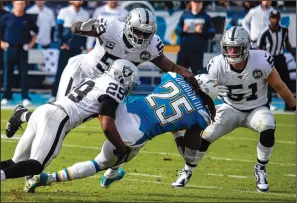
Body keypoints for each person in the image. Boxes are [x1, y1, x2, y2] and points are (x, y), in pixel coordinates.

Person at [5, 8, 201, 139]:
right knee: (57, 120)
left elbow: (171, 67)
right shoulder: (110, 27)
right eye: (138, 31)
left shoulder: (151, 46)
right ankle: (22, 116)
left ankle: (23, 116)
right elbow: (75, 28)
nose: (141, 37)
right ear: (128, 25)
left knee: (68, 124)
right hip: (81, 73)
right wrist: (84, 27)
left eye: (146, 33)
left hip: (104, 87)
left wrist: (194, 80)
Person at [23, 72, 218, 192]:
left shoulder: (175, 78)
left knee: (86, 119)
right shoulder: (201, 114)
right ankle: (48, 178)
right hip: (137, 130)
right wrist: (177, 133)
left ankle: (113, 171)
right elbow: (188, 153)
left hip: (126, 108)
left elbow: (171, 84)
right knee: (100, 161)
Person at [171, 26, 296, 192]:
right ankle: (187, 170)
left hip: (256, 108)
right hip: (230, 108)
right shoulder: (217, 65)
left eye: (235, 48)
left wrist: (293, 105)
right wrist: (210, 95)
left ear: (246, 47)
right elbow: (204, 93)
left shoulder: (261, 60)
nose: (231, 52)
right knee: (207, 135)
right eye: (228, 48)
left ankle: (260, 169)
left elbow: (279, 85)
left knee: (268, 125)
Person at [0, 59, 141, 182]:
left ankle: (22, 115)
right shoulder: (114, 89)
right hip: (56, 118)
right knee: (36, 165)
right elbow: (107, 125)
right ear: (122, 76)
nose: (129, 87)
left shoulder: (98, 79)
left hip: (45, 110)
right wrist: (122, 148)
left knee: (14, 163)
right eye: (130, 83)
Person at [49, 1, 89, 103]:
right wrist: (61, 44)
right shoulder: (64, 11)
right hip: (65, 48)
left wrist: (82, 46)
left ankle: (75, 97)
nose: (79, 1)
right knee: (61, 72)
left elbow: (86, 32)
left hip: (77, 49)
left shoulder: (85, 14)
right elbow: (58, 29)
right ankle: (54, 95)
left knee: (78, 73)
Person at [0, 0, 38, 107]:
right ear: (13, 4)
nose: (20, 6)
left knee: (23, 75)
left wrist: (31, 44)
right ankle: (6, 96)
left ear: (25, 5)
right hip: (9, 49)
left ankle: (25, 97)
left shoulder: (28, 18)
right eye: (18, 4)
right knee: (7, 74)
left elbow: (36, 32)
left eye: (22, 4)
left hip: (23, 50)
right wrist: (1, 43)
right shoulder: (6, 18)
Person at [257, 10, 296, 111]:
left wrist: (294, 54)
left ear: (279, 18)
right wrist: (260, 61)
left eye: (276, 18)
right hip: (268, 59)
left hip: (280, 58)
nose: (275, 20)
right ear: (270, 19)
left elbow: (286, 43)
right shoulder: (264, 32)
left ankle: (289, 105)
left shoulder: (284, 30)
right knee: (268, 82)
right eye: (273, 18)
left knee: (286, 82)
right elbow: (259, 48)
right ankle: (268, 104)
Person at [175, 0, 215, 75]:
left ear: (202, 3)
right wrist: (183, 30)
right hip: (184, 51)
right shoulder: (184, 15)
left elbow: (212, 33)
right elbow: (177, 30)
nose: (197, 4)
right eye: (195, 2)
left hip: (198, 53)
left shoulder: (206, 17)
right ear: (191, 2)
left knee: (197, 77)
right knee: (179, 76)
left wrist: (202, 31)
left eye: (199, 2)